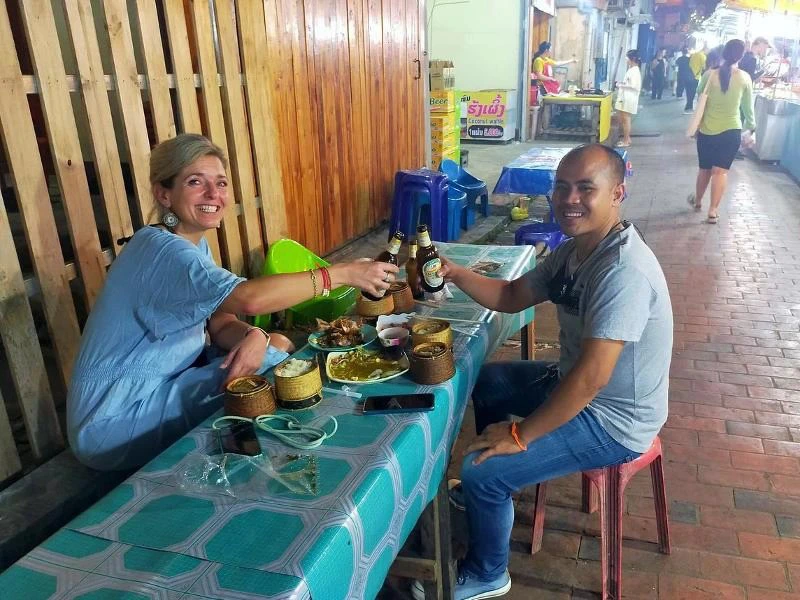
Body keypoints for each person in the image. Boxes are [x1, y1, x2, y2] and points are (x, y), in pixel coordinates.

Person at [67, 134, 399, 471]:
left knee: (274, 346)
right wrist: (341, 274)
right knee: (277, 367)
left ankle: (260, 455)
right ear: (164, 194)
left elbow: (220, 320)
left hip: (156, 389)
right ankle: (274, 467)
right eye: (195, 182)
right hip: (112, 421)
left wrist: (255, 335)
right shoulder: (161, 250)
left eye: (221, 183)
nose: (214, 194)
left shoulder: (191, 245)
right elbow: (248, 300)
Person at [428, 144, 673, 600]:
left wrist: (520, 435)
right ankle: (495, 489)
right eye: (561, 187)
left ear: (617, 193)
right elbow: (510, 296)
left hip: (615, 421)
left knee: (481, 471)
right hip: (577, 386)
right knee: (490, 383)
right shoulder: (574, 251)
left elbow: (592, 379)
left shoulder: (623, 270)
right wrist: (455, 273)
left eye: (585, 188)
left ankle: (487, 570)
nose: (569, 199)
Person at [687, 39, 755, 224]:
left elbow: (700, 96)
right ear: (741, 56)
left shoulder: (709, 74)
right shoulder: (744, 78)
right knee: (720, 172)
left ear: (724, 53)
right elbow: (748, 108)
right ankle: (713, 210)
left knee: (704, 169)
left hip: (707, 131)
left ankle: (698, 201)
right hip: (731, 132)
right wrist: (752, 128)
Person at [614, 49, 642, 148]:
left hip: (629, 98)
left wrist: (620, 85)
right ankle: (627, 138)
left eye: (627, 58)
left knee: (626, 119)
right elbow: (629, 83)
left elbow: (634, 86)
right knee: (623, 118)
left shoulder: (635, 71)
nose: (626, 60)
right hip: (626, 97)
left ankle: (626, 141)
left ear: (632, 59)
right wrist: (621, 84)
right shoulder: (632, 69)